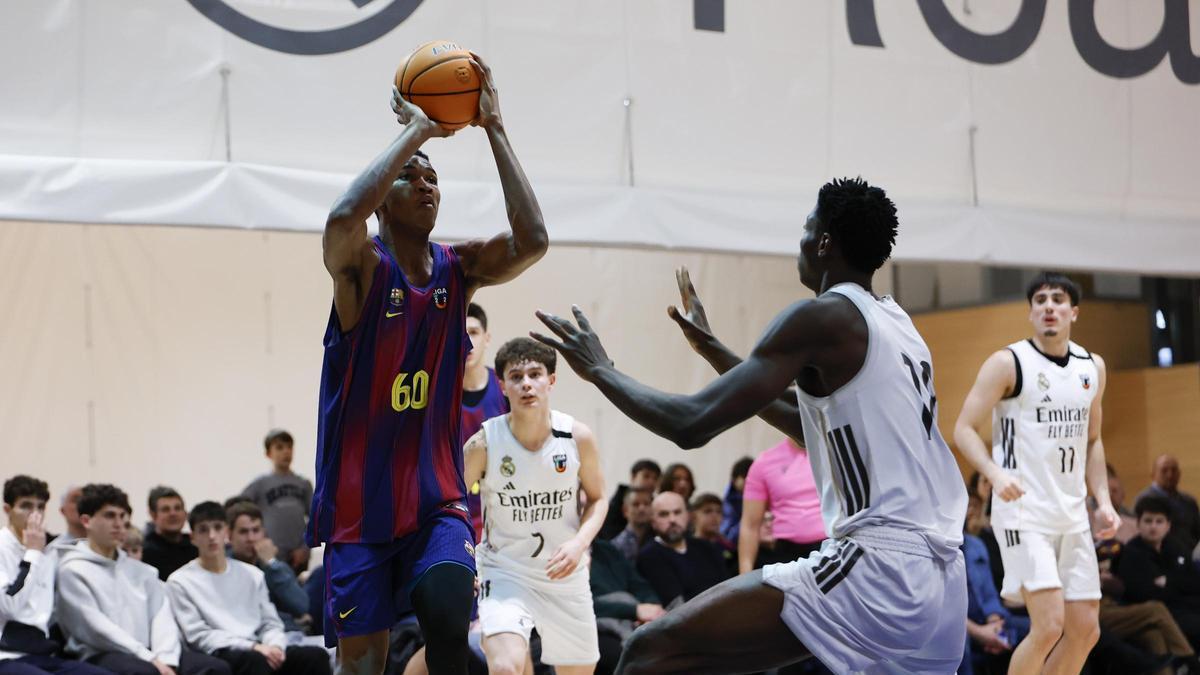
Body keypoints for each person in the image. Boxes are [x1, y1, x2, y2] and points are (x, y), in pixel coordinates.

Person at [533, 177, 968, 673]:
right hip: (943, 580)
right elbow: (817, 430)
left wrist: (600, 371)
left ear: (824, 242)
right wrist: (716, 351)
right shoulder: (898, 325)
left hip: (881, 566)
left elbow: (690, 424)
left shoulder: (822, 317)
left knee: (648, 652)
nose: (800, 242)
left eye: (807, 229)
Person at [309, 51, 548, 675]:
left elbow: (533, 242)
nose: (425, 186)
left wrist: (494, 128)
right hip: (359, 508)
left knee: (447, 614)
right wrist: (417, 130)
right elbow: (340, 218)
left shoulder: (458, 268)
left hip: (436, 501)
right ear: (382, 199)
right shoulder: (362, 269)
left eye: (433, 178)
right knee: (363, 666)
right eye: (410, 177)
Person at [954, 271, 1118, 674]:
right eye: (1040, 299)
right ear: (1030, 312)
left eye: (1058, 299)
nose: (1048, 306)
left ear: (1073, 312)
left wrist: (1105, 501)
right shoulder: (1008, 363)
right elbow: (962, 428)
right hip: (1025, 513)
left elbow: (1093, 440)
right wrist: (994, 472)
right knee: (1047, 626)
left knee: (1085, 629)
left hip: (1073, 514)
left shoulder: (1091, 367)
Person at [463, 337, 608, 674]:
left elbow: (599, 500)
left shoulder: (577, 437)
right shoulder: (483, 443)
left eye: (535, 374)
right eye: (516, 376)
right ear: (502, 386)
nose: (526, 383)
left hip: (564, 572)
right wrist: (464, 557)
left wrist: (578, 544)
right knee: (506, 667)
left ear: (551, 380)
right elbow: (451, 504)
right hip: (504, 572)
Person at [56, 484, 230, 675]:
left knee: (214, 668)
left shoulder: (143, 571)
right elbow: (97, 630)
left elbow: (161, 617)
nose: (118, 523)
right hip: (103, 653)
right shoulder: (72, 570)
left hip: (151, 651)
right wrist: (150, 659)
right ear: (86, 520)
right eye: (109, 516)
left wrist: (166, 659)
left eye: (122, 516)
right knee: (145, 672)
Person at [166, 503, 330, 675]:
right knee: (255, 662)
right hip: (221, 651)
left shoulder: (252, 574)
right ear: (192, 537)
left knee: (314, 656)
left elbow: (270, 622)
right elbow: (198, 635)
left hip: (260, 646)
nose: (212, 536)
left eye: (217, 527)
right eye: (203, 530)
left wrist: (275, 646)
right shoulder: (180, 581)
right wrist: (253, 647)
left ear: (226, 532)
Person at [0, 476, 109, 675]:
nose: (34, 514)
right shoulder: (5, 548)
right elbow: (10, 605)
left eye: (40, 507)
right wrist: (33, 553)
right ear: (8, 510)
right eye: (26, 506)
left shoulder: (48, 550)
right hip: (6, 655)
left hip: (42, 654)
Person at [1116, 495, 1200, 648]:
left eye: (1159, 521)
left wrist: (1168, 581)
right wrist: (1178, 583)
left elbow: (1194, 582)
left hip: (1187, 606)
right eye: (1148, 521)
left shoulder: (1175, 547)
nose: (1153, 527)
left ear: (1168, 525)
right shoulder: (1131, 553)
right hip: (1163, 614)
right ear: (1138, 524)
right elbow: (1144, 593)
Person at [460, 302, 510, 542]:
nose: (467, 341)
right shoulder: (436, 392)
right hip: (453, 514)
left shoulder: (507, 390)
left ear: (487, 338)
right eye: (460, 332)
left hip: (501, 514)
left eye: (473, 332)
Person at [739, 440, 824, 574]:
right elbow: (750, 525)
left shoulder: (835, 453)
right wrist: (744, 576)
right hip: (785, 554)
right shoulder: (764, 463)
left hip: (831, 548)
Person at [225, 503, 310, 635]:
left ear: (264, 532)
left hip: (286, 635)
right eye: (243, 532)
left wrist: (271, 563)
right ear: (229, 535)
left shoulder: (272, 564)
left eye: (256, 530)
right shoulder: (224, 566)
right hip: (247, 637)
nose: (251, 538)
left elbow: (301, 606)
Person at [241, 430, 314, 574]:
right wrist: (257, 541)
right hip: (270, 554)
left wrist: (305, 548)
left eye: (289, 447)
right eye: (279, 447)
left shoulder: (303, 484)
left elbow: (315, 519)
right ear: (268, 454)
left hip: (298, 555)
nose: (286, 452)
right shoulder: (260, 484)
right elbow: (239, 509)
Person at [587, 539, 663, 675]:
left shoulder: (606, 549)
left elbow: (638, 584)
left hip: (632, 617)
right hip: (596, 625)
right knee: (624, 656)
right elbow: (581, 606)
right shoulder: (559, 554)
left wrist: (652, 608)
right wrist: (634, 611)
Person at [1137, 455, 1200, 555]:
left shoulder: (1189, 501)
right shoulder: (1144, 500)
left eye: (1174, 470)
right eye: (1164, 470)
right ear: (1153, 474)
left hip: (1189, 557)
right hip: (1157, 557)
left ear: (1179, 474)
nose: (1170, 475)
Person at [142, 487, 197, 582]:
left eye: (177, 508)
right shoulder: (144, 553)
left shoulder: (196, 549)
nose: (173, 513)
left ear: (185, 513)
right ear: (153, 515)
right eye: (165, 509)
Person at [598, 462, 660, 542]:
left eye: (655, 478)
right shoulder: (615, 505)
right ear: (633, 477)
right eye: (646, 476)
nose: (651, 482)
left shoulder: (657, 502)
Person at [689, 494, 734, 573]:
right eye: (707, 511)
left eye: (719, 512)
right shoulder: (687, 548)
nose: (714, 516)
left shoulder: (728, 547)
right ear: (693, 516)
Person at [609, 489, 652, 563]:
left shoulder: (658, 539)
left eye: (646, 504)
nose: (642, 509)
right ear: (625, 510)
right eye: (636, 504)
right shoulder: (616, 546)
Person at [720, 457, 753, 545]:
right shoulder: (729, 500)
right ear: (734, 479)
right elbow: (727, 533)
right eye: (745, 476)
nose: (749, 481)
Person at [48, 487, 85, 554]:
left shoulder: (104, 544)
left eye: (85, 500)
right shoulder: (55, 549)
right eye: (75, 500)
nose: (82, 504)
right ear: (63, 511)